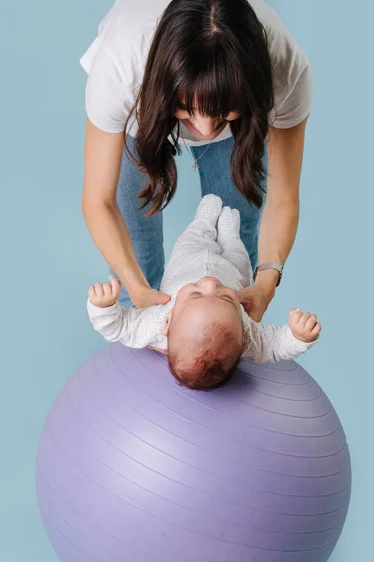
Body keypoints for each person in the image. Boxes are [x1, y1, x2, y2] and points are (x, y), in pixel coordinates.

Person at [80, 0, 314, 322]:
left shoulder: (284, 71)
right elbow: (98, 201)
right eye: (187, 109)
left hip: (243, 118)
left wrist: (264, 285)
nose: (204, 130)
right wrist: (137, 289)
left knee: (235, 240)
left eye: (221, 112)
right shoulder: (122, 68)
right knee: (137, 251)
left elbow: (283, 197)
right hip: (143, 106)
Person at [87, 195, 321, 390]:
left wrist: (103, 306)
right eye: (227, 298)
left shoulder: (155, 325)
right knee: (237, 251)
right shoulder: (249, 339)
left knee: (192, 237)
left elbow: (117, 327)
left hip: (187, 259)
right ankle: (229, 234)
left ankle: (203, 221)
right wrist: (299, 336)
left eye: (195, 295)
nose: (211, 284)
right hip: (232, 269)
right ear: (243, 329)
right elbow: (275, 346)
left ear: (169, 322)